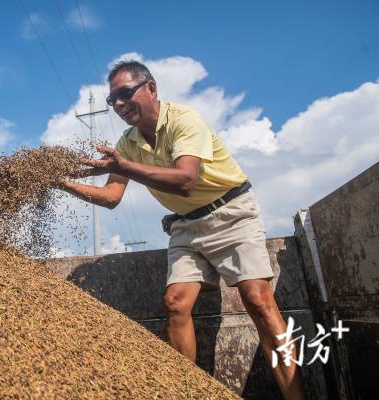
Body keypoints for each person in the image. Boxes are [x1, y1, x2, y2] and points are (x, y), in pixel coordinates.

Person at [59, 60, 305, 399]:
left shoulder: (183, 120)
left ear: (152, 88)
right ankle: (187, 392)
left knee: (258, 300)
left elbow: (186, 180)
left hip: (231, 213)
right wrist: (61, 183)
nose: (118, 105)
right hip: (185, 227)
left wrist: (126, 166)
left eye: (124, 94)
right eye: (111, 100)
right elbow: (112, 196)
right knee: (175, 303)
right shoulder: (128, 142)